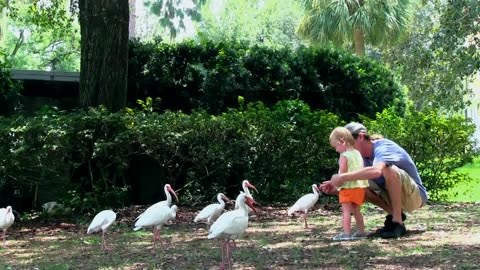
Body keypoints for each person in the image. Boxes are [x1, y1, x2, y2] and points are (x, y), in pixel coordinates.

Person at [320, 123, 428, 239]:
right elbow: (351, 185)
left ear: (361, 137)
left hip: (415, 197)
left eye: (349, 142)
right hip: (393, 197)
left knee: (388, 169)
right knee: (357, 183)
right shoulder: (356, 157)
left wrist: (342, 177)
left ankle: (397, 223)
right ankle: (393, 214)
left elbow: (376, 171)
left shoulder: (383, 147)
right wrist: (337, 187)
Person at [329, 127, 370, 241]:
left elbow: (343, 173)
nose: (337, 150)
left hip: (347, 187)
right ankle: (361, 232)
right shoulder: (357, 153)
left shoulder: (344, 155)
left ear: (342, 141)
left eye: (336, 146)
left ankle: (346, 233)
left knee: (346, 211)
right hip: (359, 187)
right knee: (357, 211)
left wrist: (336, 184)